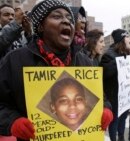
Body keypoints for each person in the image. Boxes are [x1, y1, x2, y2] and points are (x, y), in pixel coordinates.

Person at [0, 0, 112, 141]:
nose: (66, 21)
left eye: (69, 19)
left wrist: (106, 109)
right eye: (57, 16)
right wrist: (12, 122)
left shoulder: (85, 62)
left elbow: (102, 97)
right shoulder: (15, 60)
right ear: (41, 26)